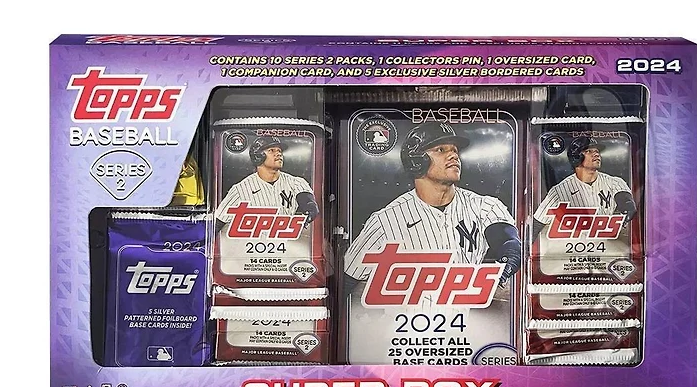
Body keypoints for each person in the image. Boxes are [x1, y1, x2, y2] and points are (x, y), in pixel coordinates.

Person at [344, 122, 520, 292]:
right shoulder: (385, 220)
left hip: (465, 311)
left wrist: (502, 269)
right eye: (441, 150)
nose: (454, 156)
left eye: (455, 150)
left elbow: (509, 243)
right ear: (416, 160)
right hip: (406, 312)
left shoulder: (484, 206)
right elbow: (346, 279)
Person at [534, 136, 636, 227]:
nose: (596, 154)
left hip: (606, 239)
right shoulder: (559, 191)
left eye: (597, 151)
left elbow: (625, 199)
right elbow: (536, 224)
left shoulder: (614, 182)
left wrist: (627, 205)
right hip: (572, 240)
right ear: (576, 157)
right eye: (589, 151)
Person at [215, 136, 319, 224]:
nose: (278, 154)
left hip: (286, 239)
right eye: (271, 150)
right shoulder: (240, 189)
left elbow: (309, 203)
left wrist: (309, 211)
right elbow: (217, 223)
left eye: (279, 151)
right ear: (258, 156)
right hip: (252, 240)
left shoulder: (296, 182)